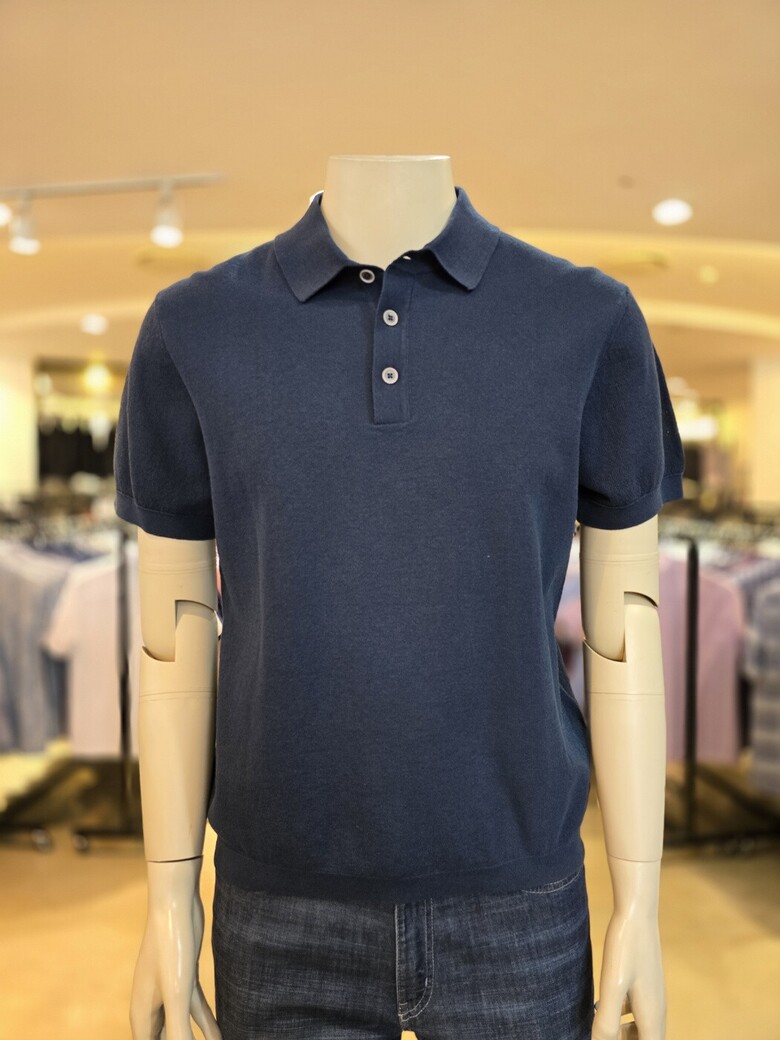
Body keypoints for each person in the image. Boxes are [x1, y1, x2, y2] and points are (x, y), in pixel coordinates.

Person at [115, 154, 684, 1040]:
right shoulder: (195, 327)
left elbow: (627, 627)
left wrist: (638, 902)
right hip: (281, 903)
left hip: (518, 900)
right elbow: (175, 635)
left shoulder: (588, 318)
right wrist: (168, 894)